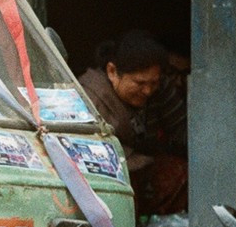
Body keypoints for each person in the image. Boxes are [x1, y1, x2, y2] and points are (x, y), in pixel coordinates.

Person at [79, 31, 188, 215]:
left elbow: (182, 131)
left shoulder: (159, 88)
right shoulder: (91, 97)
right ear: (112, 72)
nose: (147, 91)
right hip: (114, 171)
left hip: (147, 165)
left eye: (153, 83)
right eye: (139, 83)